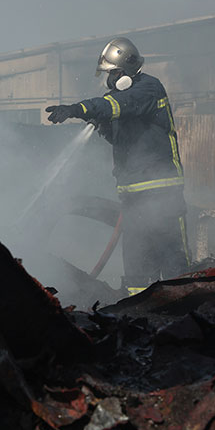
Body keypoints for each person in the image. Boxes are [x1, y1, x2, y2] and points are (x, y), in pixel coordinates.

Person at [45, 37, 189, 292]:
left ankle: (185, 306)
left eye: (111, 74)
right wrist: (103, 128)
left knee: (171, 257)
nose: (108, 81)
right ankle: (137, 315)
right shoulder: (120, 100)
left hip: (161, 191)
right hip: (133, 196)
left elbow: (118, 105)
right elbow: (119, 134)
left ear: (126, 72)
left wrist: (78, 108)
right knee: (135, 262)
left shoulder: (149, 89)